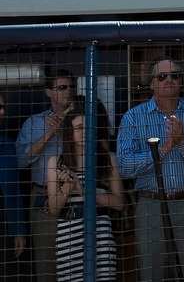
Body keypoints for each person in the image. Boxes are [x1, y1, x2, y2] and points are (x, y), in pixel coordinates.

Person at [117, 57, 184, 282]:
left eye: (174, 76)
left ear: (182, 81)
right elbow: (125, 167)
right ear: (151, 83)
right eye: (162, 76)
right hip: (150, 205)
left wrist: (182, 141)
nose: (169, 80)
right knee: (151, 273)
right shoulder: (133, 117)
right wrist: (165, 148)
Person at [46, 104, 123, 281]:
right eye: (79, 128)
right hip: (69, 235)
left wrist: (86, 193)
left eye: (89, 128)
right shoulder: (55, 162)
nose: (85, 133)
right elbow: (54, 209)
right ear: (69, 133)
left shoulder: (108, 158)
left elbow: (119, 203)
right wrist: (68, 186)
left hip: (101, 234)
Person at [15, 69, 76, 280]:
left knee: (77, 265)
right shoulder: (34, 123)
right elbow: (21, 161)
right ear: (48, 92)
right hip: (44, 198)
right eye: (61, 88)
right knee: (46, 265)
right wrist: (50, 134)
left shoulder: (83, 118)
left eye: (70, 87)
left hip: (79, 198)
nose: (67, 92)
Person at [0, 93, 27, 278]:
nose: (2, 112)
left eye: (2, 107)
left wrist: (18, 229)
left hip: (4, 225)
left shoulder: (8, 145)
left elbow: (15, 190)